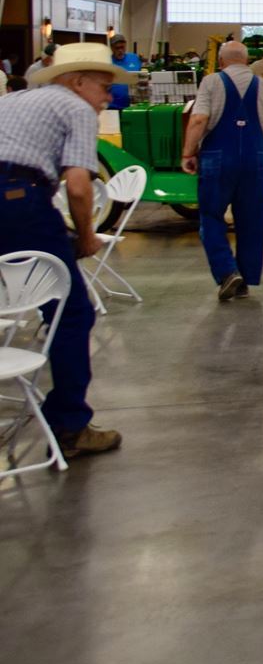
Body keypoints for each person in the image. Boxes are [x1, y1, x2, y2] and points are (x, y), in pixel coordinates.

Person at [0, 42, 131, 458]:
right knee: (71, 312)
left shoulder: (14, 100)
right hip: (18, 200)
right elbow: (77, 186)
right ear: (77, 82)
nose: (108, 97)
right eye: (104, 87)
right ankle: (69, 425)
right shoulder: (76, 109)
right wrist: (88, 236)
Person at [182, 40, 263, 301]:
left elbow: (198, 119)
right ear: (247, 60)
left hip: (217, 159)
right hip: (255, 161)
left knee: (211, 217)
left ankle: (228, 272)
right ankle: (245, 279)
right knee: (252, 222)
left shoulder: (211, 82)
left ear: (221, 61)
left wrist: (187, 152)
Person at [108, 35, 143, 110]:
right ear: (112, 48)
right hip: (112, 106)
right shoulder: (107, 61)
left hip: (132, 106)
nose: (120, 50)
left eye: (122, 47)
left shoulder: (134, 58)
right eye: (117, 48)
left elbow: (141, 77)